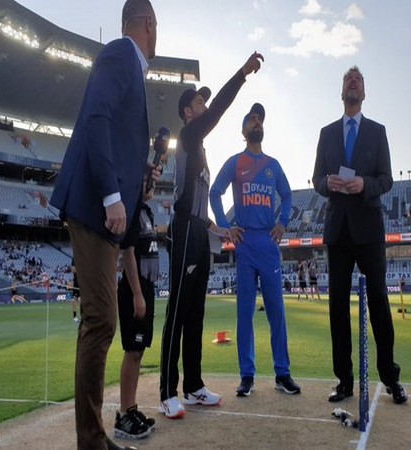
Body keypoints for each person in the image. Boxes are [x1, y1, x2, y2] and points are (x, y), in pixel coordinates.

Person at [49, 1, 158, 448]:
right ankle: (91, 439)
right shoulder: (120, 54)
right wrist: (114, 194)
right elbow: (96, 116)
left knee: (99, 320)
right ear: (150, 26)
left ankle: (91, 436)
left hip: (105, 210)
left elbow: (112, 131)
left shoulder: (130, 66)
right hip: (95, 206)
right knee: (100, 320)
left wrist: (133, 188)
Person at [159, 51, 264, 419]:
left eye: (204, 100)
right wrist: (241, 73)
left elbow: (200, 207)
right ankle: (167, 390)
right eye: (199, 101)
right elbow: (219, 109)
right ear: (188, 111)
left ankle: (193, 386)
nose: (204, 104)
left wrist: (220, 228)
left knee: (197, 312)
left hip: (199, 231)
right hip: (184, 230)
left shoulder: (200, 150)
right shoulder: (188, 135)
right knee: (178, 310)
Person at [312, 66, 407, 405]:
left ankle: (390, 377)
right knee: (337, 308)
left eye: (358, 80)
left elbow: (387, 179)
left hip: (368, 230)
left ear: (363, 93)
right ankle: (344, 381)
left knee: (379, 304)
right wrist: (328, 184)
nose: (353, 83)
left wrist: (365, 184)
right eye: (348, 79)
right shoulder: (326, 133)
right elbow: (316, 179)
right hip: (338, 230)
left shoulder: (377, 131)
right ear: (342, 91)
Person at [210, 103, 300, 398]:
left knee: (277, 311)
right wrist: (224, 225)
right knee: (244, 312)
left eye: (260, 119)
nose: (256, 122)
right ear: (243, 130)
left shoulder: (273, 165)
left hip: (268, 244)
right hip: (245, 243)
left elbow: (287, 196)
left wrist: (283, 223)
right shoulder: (236, 162)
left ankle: (282, 373)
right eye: (251, 119)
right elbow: (214, 192)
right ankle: (246, 375)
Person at [114, 180, 159, 441]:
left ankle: (130, 408)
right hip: (134, 288)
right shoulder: (131, 210)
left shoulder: (146, 212)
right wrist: (138, 295)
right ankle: (123, 415)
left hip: (146, 287)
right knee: (132, 351)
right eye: (147, 181)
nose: (151, 184)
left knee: (138, 352)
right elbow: (128, 254)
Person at [70, 258, 80, 323]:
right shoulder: (74, 258)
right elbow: (73, 270)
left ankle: (83, 315)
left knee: (83, 299)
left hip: (84, 281)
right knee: (75, 298)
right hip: (77, 282)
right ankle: (74, 316)